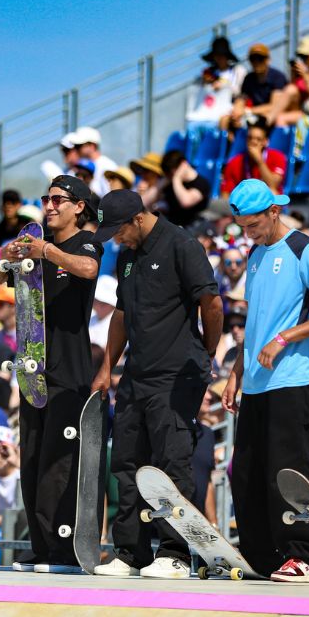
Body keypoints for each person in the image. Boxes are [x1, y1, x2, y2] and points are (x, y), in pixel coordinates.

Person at [90, 189, 223, 579]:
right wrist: (107, 366)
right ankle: (131, 553)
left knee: (172, 463)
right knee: (127, 462)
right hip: (137, 373)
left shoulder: (182, 245)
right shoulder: (128, 255)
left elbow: (211, 304)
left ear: (137, 218)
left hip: (177, 374)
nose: (116, 239)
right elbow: (121, 314)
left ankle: (175, 553)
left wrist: (206, 352)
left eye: (119, 231)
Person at [220, 179, 309, 583]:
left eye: (253, 224)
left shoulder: (304, 248)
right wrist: (235, 375)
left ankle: (303, 556)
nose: (247, 233)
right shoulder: (255, 255)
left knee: (286, 471)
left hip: (291, 379)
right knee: (246, 475)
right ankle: (261, 555)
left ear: (275, 211)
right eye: (242, 226)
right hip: (254, 384)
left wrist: (284, 337)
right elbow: (254, 324)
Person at [0, 174, 102, 570]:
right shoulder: (34, 247)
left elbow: (87, 269)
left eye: (58, 199)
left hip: (69, 369)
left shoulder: (84, 242)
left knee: (61, 459)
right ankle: (40, 545)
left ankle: (64, 549)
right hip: (32, 367)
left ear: (78, 206)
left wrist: (45, 251)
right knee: (33, 458)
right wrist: (9, 255)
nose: (50, 205)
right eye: (46, 199)